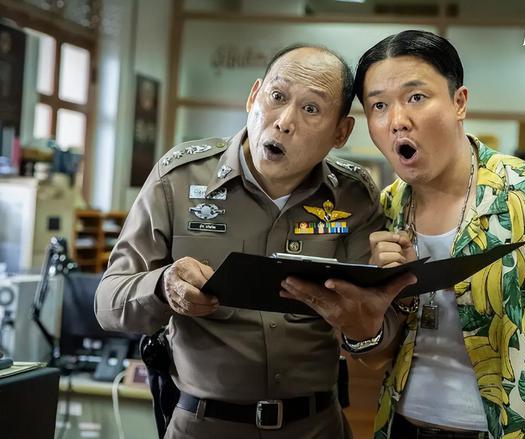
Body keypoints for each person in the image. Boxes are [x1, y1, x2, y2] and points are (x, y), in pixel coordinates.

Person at [281, 30, 525, 439]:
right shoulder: (386, 209)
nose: (397, 120)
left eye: (416, 97)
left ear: (459, 102)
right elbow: (378, 356)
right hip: (401, 427)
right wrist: (375, 307)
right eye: (379, 105)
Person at [95, 44, 397, 439]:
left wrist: (367, 320)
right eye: (277, 96)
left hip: (315, 427)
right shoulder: (180, 179)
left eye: (311, 109)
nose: (284, 122)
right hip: (202, 425)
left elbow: (378, 336)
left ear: (340, 132)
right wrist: (162, 286)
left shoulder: (353, 196)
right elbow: (108, 303)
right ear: (253, 97)